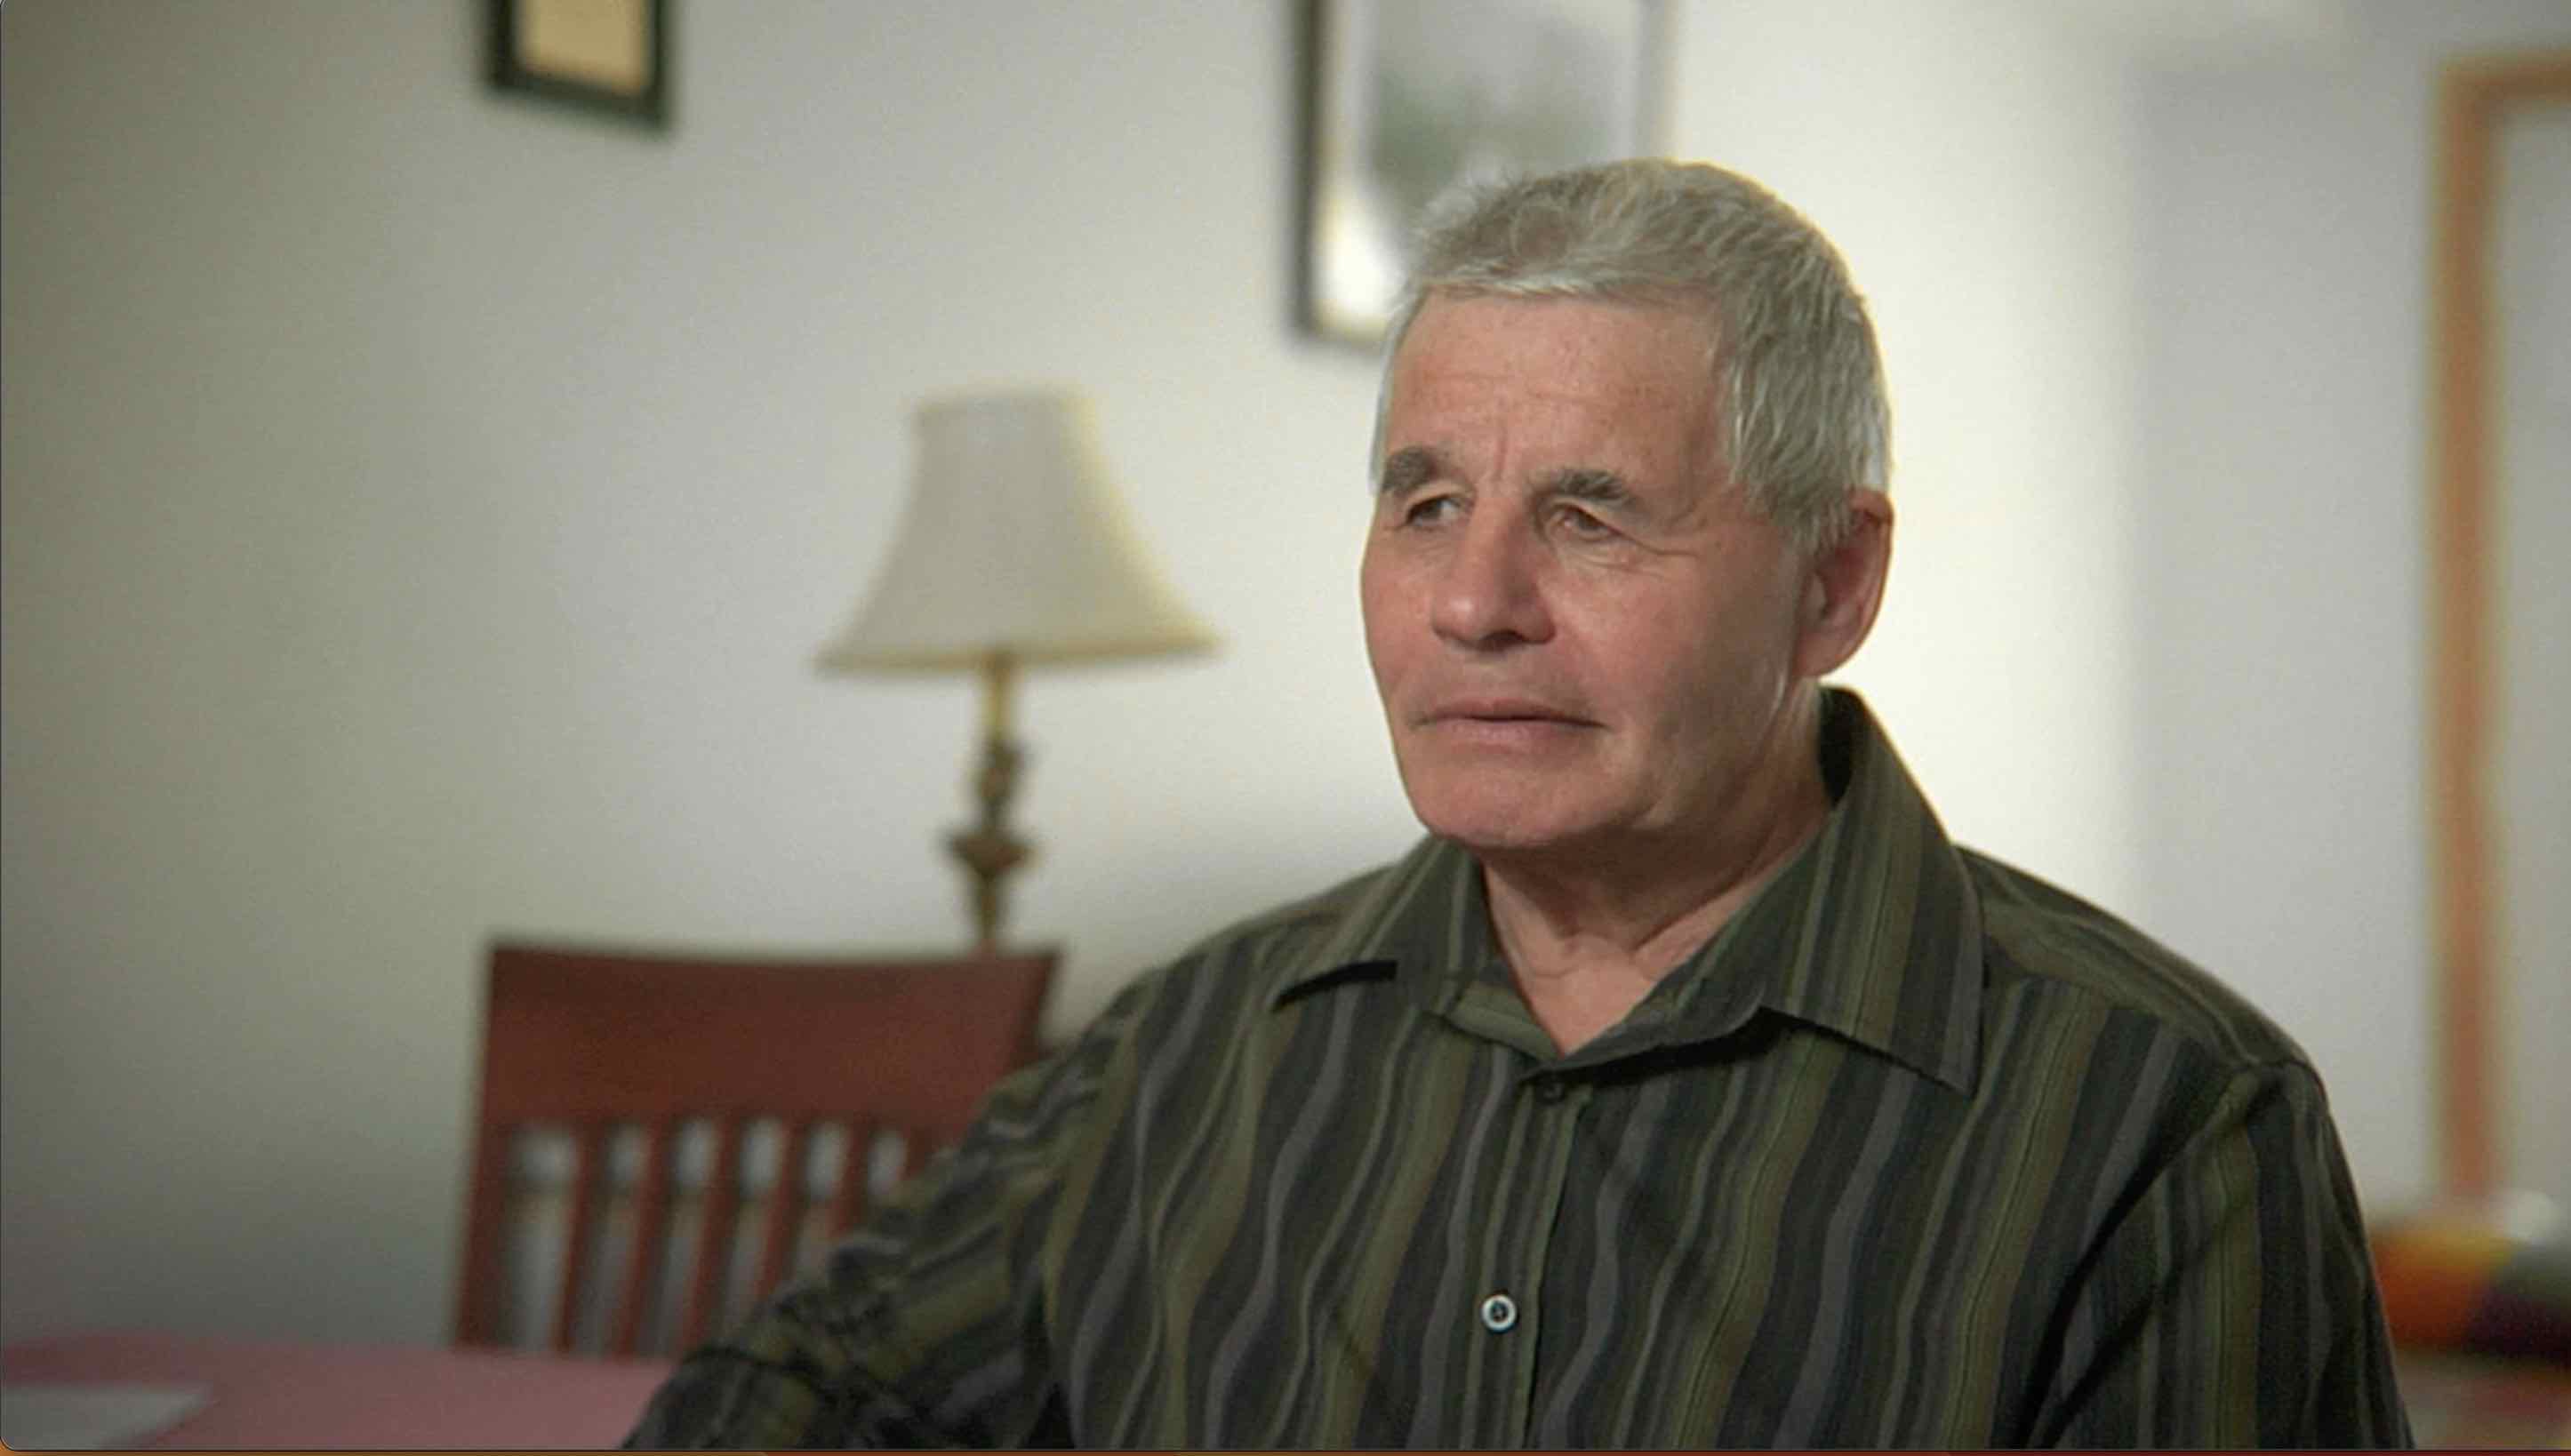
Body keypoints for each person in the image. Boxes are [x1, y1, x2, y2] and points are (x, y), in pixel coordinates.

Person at [627, 159, 2411, 1448]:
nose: (1472, 603)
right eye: (1424, 508)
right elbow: (787, 1394)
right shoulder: (1184, 1051)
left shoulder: (2164, 1123)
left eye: (1588, 516)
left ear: (1834, 583)